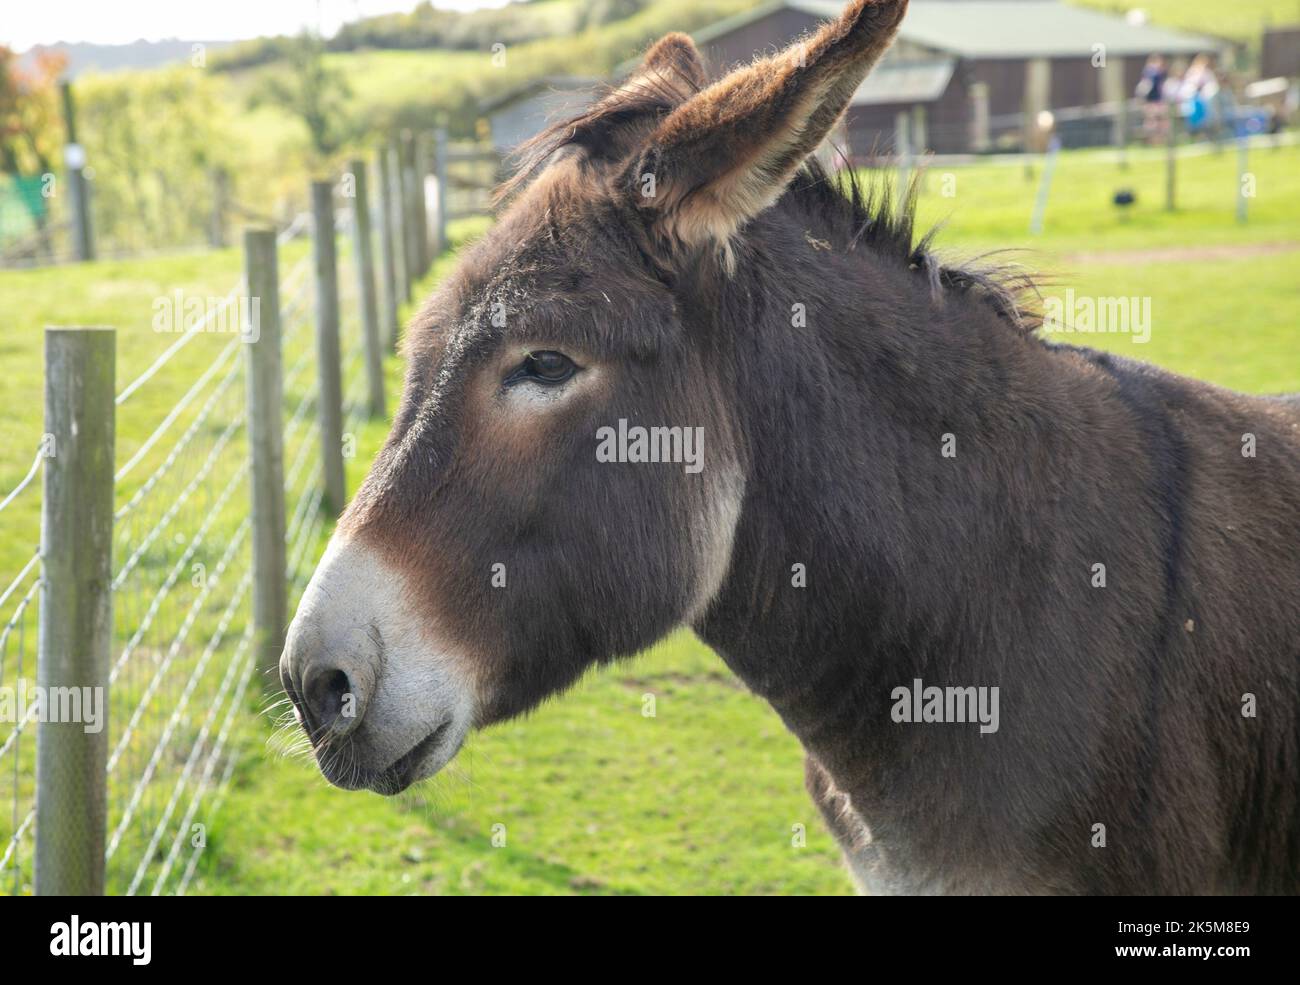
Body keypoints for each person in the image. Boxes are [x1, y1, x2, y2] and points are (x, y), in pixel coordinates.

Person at [1136, 54, 1169, 144]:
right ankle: (1152, 141)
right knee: (1153, 121)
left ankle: (1158, 141)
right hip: (1152, 101)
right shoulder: (1151, 72)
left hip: (1158, 101)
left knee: (1159, 121)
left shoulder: (1156, 73)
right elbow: (1146, 88)